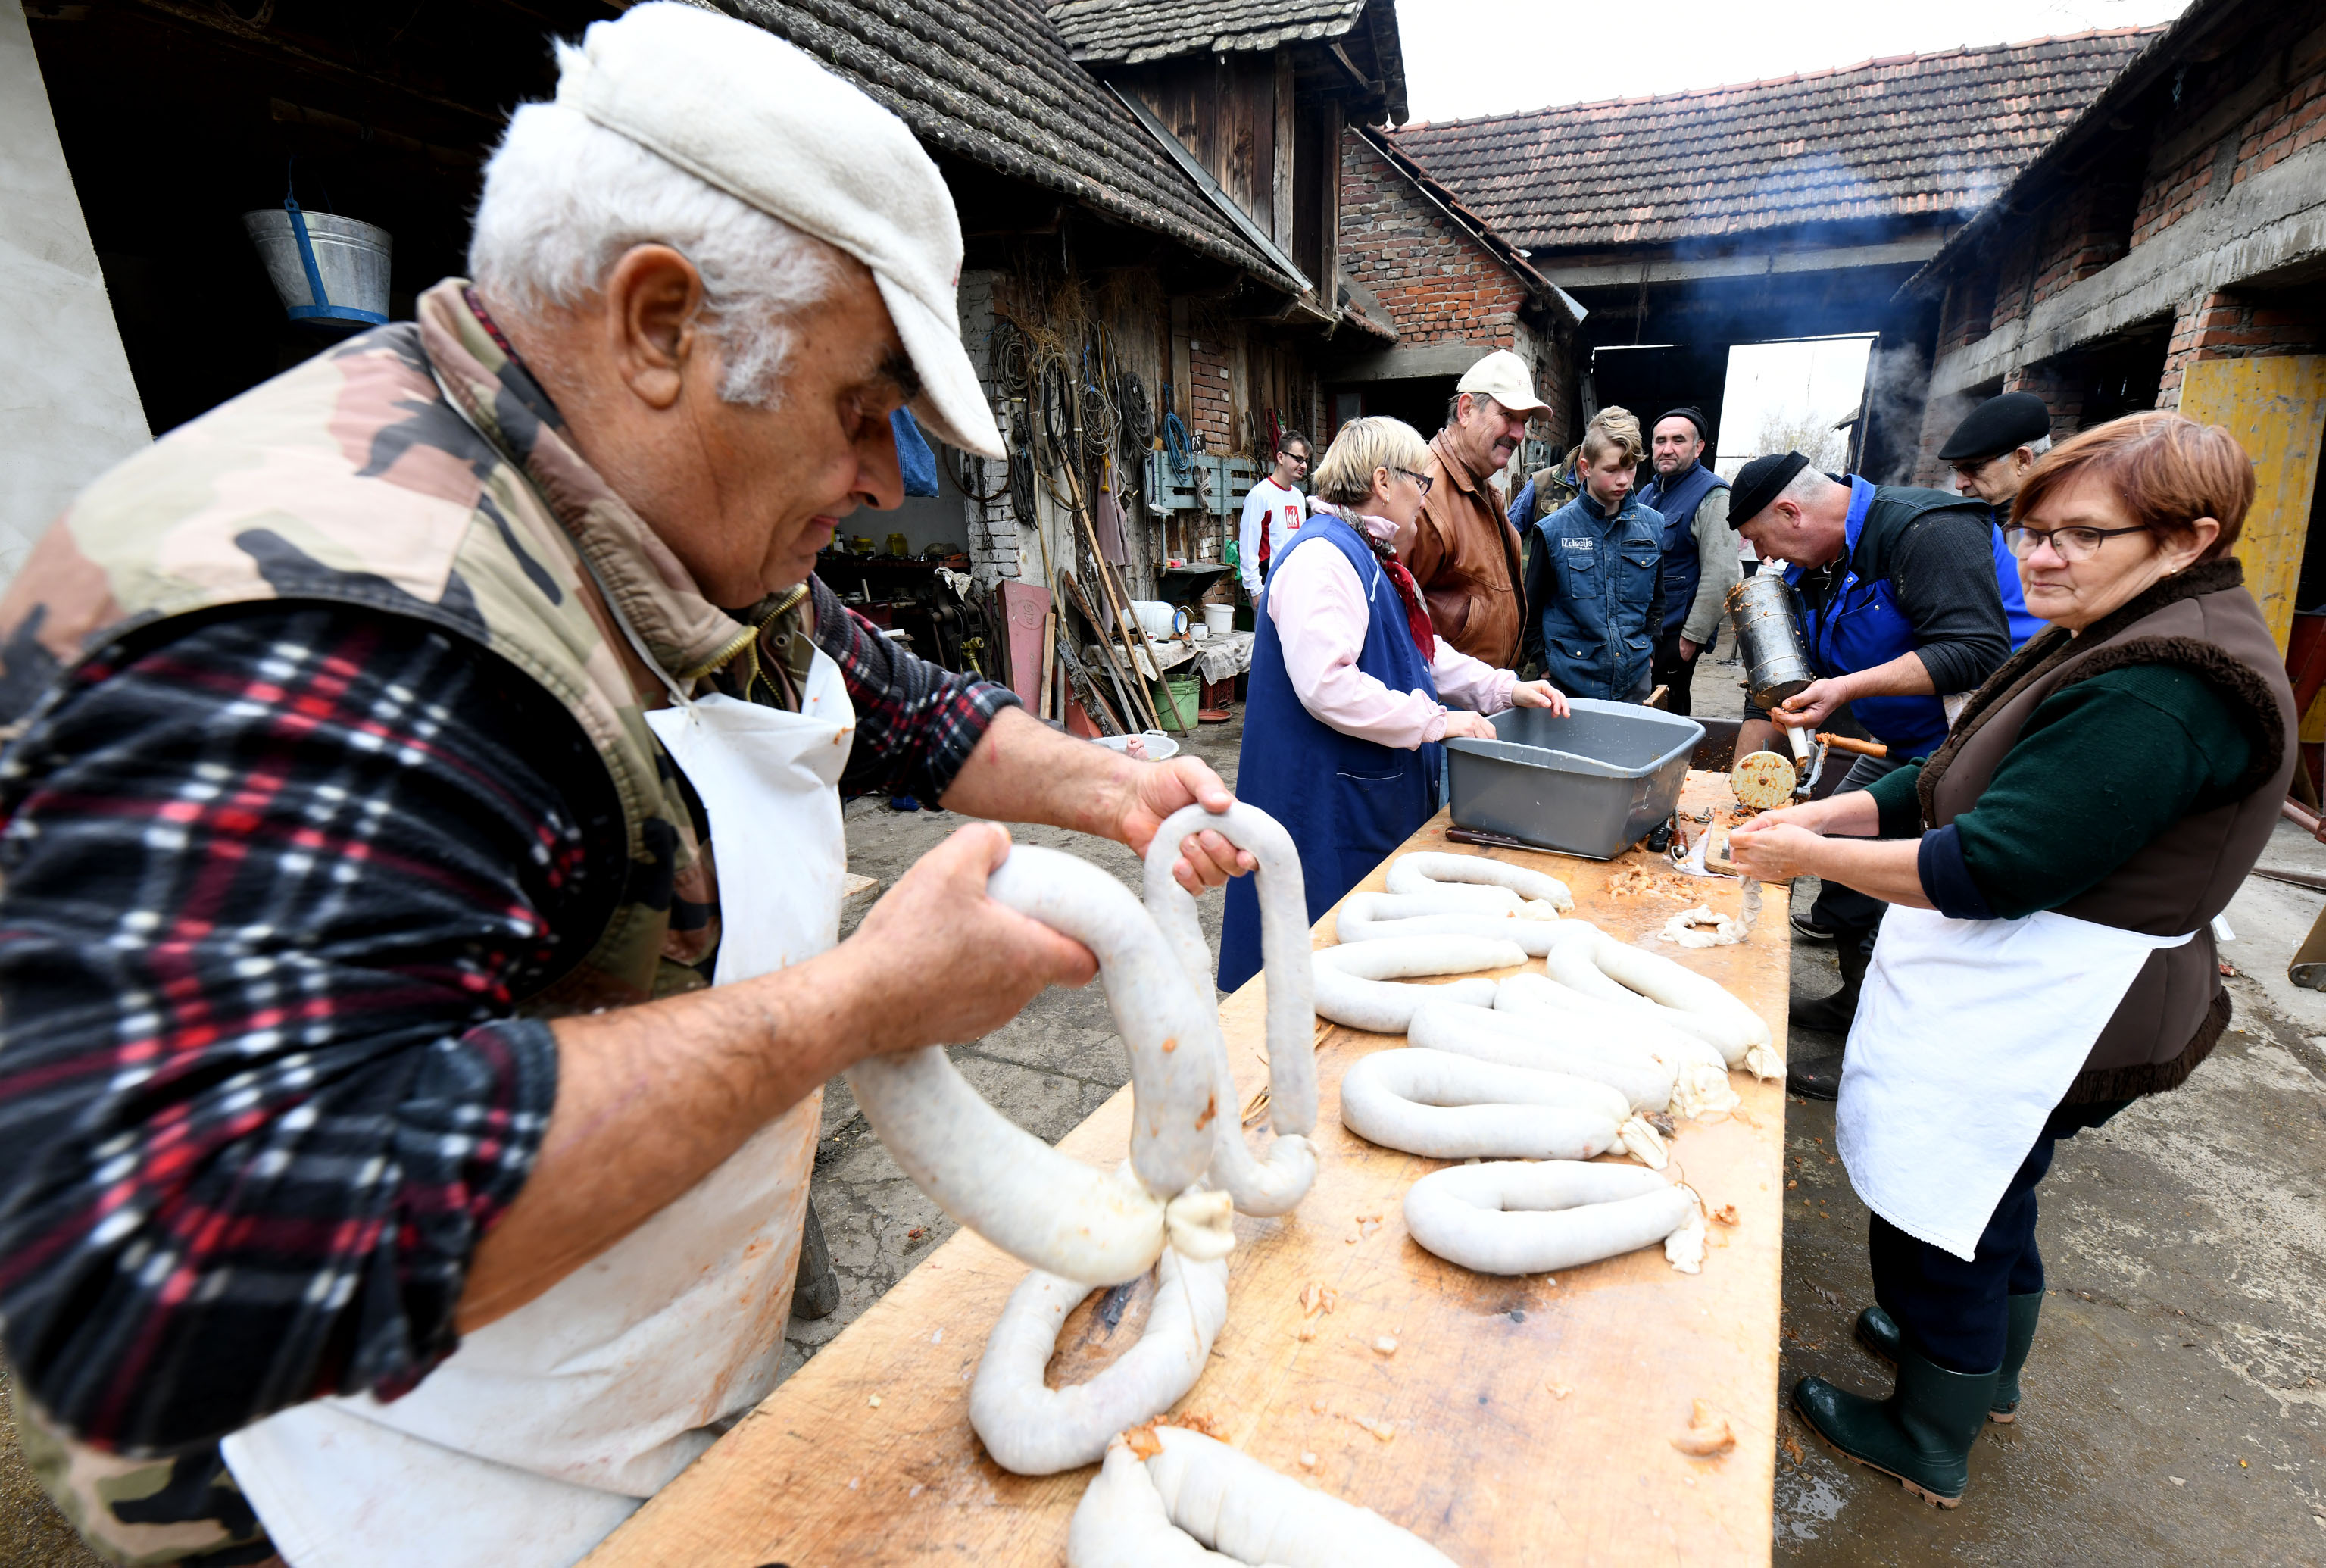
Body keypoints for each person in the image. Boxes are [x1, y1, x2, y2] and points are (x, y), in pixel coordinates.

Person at [0, 11, 1257, 1566]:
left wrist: (1122, 794)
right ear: (661, 323)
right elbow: (178, 1267)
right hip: (372, 1486)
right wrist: (858, 1004)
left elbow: (888, 704)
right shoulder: (349, 631)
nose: (882, 478)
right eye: (861, 405)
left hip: (624, 1400)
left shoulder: (662, 530)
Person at [1729, 412, 2292, 1508]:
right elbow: (1951, 773)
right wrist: (1837, 816)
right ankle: (1975, 1365)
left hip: (2061, 1000)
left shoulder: (2162, 686)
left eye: (2079, 535)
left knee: (1955, 1200)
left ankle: (1926, 1431)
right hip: (2026, 978)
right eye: (2031, 530)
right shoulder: (2105, 623)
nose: (2040, 555)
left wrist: (1805, 856)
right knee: (1997, 1190)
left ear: (2186, 538)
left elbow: (1989, 860)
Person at [1221, 417, 1567, 991]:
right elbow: (1326, 685)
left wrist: (1503, 688)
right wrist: (1435, 721)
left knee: (1358, 960)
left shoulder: (1377, 559)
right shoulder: (1322, 560)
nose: (1425, 498)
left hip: (1365, 790)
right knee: (1311, 959)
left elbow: (1421, 656)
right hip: (1322, 799)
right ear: (1382, 480)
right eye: (1420, 482)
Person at [1725, 451, 2017, 1079]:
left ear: (1790, 512)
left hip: (1971, 749)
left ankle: (1888, 1059)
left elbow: (1976, 649)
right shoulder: (1818, 567)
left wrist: (1847, 689)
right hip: (1906, 744)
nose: (1766, 557)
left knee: (1919, 909)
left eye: (1760, 540)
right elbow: (1773, 683)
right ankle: (1852, 1005)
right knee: (1839, 860)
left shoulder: (1924, 530)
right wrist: (1743, 781)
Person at [1409, 350, 1547, 667]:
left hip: (1484, 696)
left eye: (1524, 422)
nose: (1519, 434)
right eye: (1508, 416)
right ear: (1467, 409)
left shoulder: (1484, 489)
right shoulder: (1424, 494)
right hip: (1445, 703)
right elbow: (1389, 621)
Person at [1519, 407, 1663, 703]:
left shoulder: (1652, 526)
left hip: (1633, 680)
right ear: (1585, 467)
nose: (1623, 480)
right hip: (1570, 683)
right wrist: (1544, 666)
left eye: (1631, 468)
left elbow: (1658, 600)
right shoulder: (1554, 530)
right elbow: (1529, 608)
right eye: (1612, 470)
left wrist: (1650, 651)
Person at [1636, 407, 1741, 716]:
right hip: (1641, 632)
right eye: (1660, 440)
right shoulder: (1646, 494)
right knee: (1637, 711)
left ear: (1698, 448)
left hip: (1673, 636)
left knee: (1668, 713)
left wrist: (1691, 638)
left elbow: (1721, 576)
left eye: (1678, 440)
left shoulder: (1714, 495)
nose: (1667, 449)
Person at [1938, 390, 2054, 648]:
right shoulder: (1991, 524)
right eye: (1957, 470)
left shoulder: (2065, 533)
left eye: (1974, 468)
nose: (1959, 483)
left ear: (2023, 460)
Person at [1236, 429, 1311, 598]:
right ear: (1280, 457)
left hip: (1293, 586)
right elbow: (1248, 548)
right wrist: (1256, 591)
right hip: (1267, 586)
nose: (1304, 466)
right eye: (1298, 459)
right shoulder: (1259, 495)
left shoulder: (1298, 497)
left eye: (1305, 460)